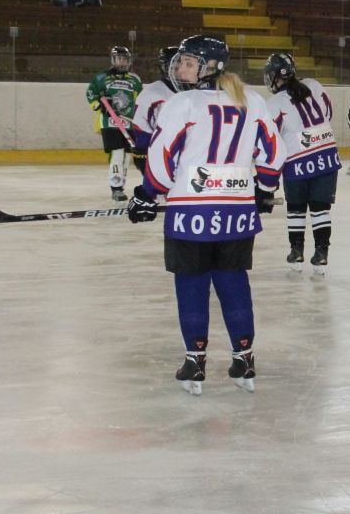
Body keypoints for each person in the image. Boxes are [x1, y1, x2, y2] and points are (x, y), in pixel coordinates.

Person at [126, 35, 285, 396]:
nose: (180, 68)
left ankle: (195, 362)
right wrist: (264, 188)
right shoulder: (252, 101)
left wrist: (147, 195)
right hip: (237, 212)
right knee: (233, 281)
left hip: (190, 212)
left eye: (188, 62)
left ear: (210, 66)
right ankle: (244, 359)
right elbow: (274, 152)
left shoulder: (181, 104)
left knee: (192, 284)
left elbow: (161, 158)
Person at [264, 52, 341, 274]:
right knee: (320, 209)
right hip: (327, 155)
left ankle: (296, 252)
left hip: (297, 159)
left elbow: (271, 139)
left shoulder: (275, 103)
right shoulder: (313, 85)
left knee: (296, 209)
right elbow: (328, 113)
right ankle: (321, 253)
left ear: (274, 76)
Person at [86, 46, 142, 201]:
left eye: (125, 59)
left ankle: (120, 185)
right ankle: (116, 187)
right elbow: (90, 93)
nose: (122, 61)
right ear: (113, 59)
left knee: (126, 156)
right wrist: (99, 104)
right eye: (119, 58)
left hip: (128, 122)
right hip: (109, 121)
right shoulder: (102, 77)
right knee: (117, 153)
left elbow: (139, 99)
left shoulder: (135, 79)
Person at [130, 45, 178, 175]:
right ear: (163, 67)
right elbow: (141, 125)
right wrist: (142, 151)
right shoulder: (151, 93)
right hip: (161, 157)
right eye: (171, 66)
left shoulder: (196, 92)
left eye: (180, 65)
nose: (177, 70)